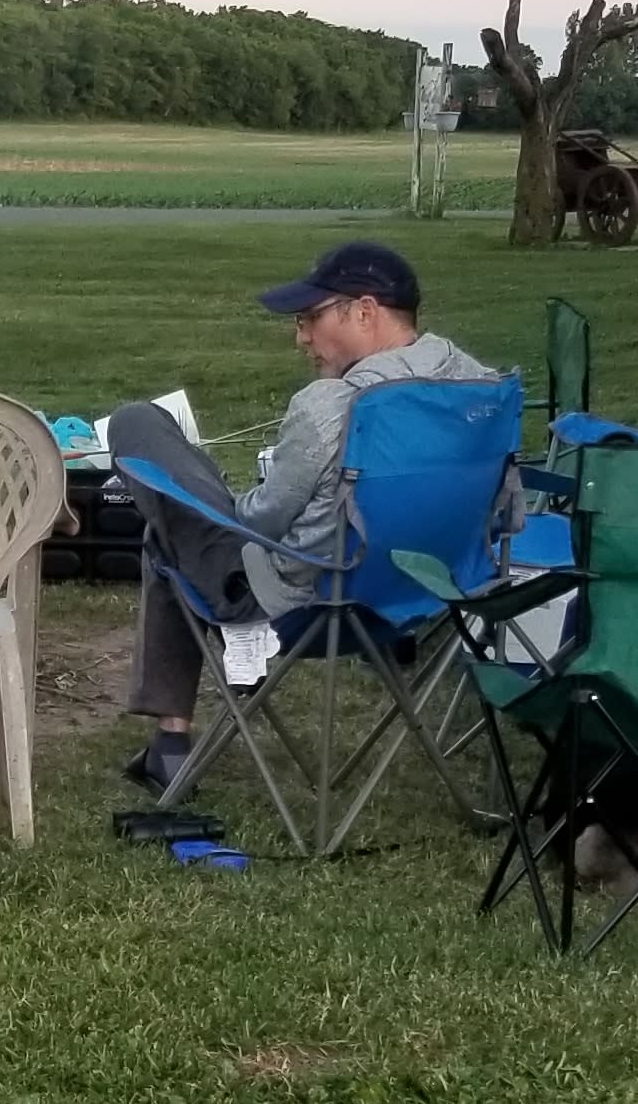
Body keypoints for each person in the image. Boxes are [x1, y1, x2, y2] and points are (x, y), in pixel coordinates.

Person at [109, 240, 493, 791]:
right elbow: (505, 506)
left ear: (364, 310)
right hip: (420, 600)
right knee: (172, 527)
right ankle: (167, 742)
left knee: (143, 438)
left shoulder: (331, 403)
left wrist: (230, 496)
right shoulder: (481, 386)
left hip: (302, 605)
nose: (302, 338)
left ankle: (171, 741)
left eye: (311, 318)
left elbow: (258, 523)